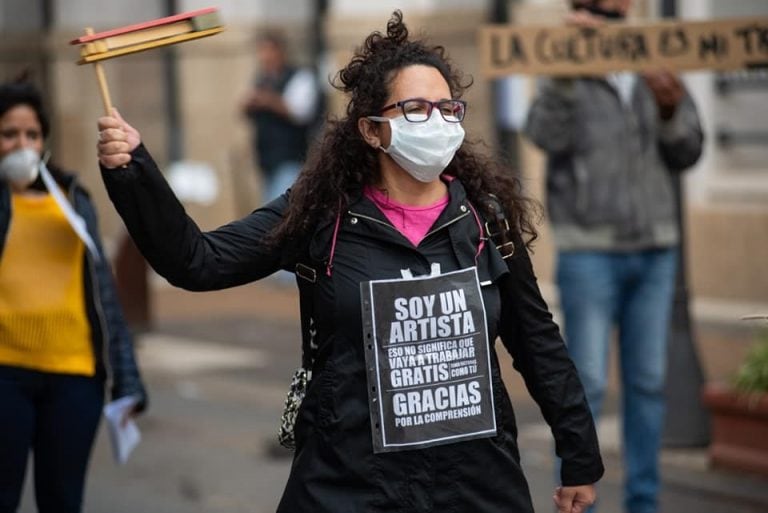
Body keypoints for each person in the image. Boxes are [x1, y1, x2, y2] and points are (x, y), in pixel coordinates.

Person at [97, 11, 603, 513]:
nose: (438, 121)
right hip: (352, 482)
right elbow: (196, 261)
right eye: (415, 108)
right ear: (371, 129)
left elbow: (537, 340)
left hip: (472, 484)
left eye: (448, 108)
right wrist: (134, 172)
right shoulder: (320, 217)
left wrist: (579, 452)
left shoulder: (484, 220)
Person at [525, 1, 704, 512]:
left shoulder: (657, 51)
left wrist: (669, 109)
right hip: (590, 251)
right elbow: (544, 134)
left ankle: (643, 502)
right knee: (588, 383)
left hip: (655, 248)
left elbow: (688, 149)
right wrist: (565, 71)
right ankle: (578, 504)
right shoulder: (564, 60)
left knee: (647, 382)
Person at [0, 79, 148, 513]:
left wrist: (128, 381)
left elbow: (104, 294)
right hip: (6, 375)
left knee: (63, 501)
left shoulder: (74, 200)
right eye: (9, 134)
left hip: (74, 378)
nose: (21, 145)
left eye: (32, 135)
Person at [241, 29, 322, 203]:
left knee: (278, 210)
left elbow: (300, 111)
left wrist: (268, 100)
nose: (264, 57)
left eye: (268, 51)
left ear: (280, 51)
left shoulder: (300, 77)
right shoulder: (262, 79)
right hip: (266, 161)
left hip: (290, 158)